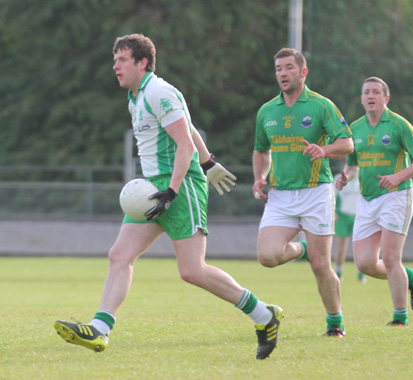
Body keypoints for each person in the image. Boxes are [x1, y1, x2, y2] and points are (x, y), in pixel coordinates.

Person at [54, 33, 282, 360]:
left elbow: (184, 143)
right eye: (114, 60)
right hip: (153, 188)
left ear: (142, 62)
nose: (115, 66)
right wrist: (209, 161)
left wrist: (176, 187)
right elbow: (186, 126)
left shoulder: (158, 92)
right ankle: (100, 330)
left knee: (192, 271)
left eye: (122, 60)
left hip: (180, 186)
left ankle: (264, 315)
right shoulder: (136, 96)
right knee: (119, 255)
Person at [252, 48, 354, 337]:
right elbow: (261, 150)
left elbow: (347, 143)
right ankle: (303, 249)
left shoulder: (321, 106)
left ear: (303, 72)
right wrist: (259, 177)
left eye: (288, 68)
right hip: (281, 195)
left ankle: (335, 323)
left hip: (316, 193)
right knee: (267, 256)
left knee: (322, 266)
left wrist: (324, 149)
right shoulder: (267, 111)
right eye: (278, 69)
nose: (282, 74)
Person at [335, 76, 413, 327]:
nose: (370, 96)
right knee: (365, 263)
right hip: (367, 200)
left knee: (390, 258)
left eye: (376, 92)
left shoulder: (399, 124)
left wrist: (397, 177)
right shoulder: (354, 129)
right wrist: (345, 177)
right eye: (366, 92)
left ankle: (400, 318)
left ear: (386, 98)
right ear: (361, 99)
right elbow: (352, 167)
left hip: (397, 195)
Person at [332, 172, 366, 283]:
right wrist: (333, 211)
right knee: (341, 247)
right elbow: (332, 195)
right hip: (342, 216)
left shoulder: (363, 177)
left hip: (358, 216)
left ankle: (361, 274)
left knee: (360, 247)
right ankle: (338, 273)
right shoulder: (338, 178)